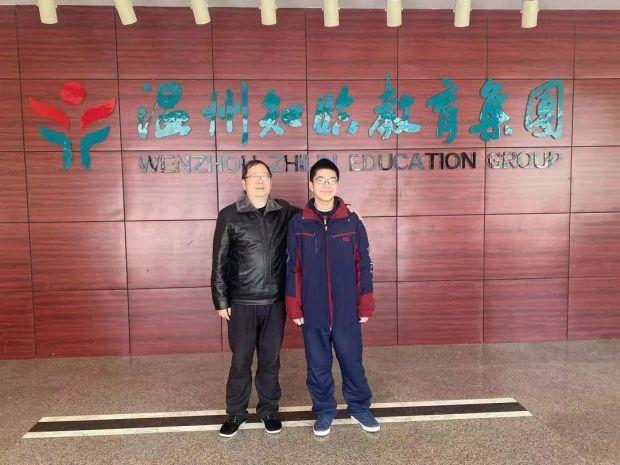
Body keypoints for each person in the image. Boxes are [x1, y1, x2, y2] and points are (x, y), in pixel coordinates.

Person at [285, 158, 379, 437]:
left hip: (346, 308)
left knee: (352, 361)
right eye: (320, 180)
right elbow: (292, 267)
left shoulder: (351, 221)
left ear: (337, 184)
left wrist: (366, 301)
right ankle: (324, 410)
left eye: (331, 180)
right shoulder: (298, 222)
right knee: (317, 365)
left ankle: (359, 407)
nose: (326, 185)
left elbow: (363, 264)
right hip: (312, 308)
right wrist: (293, 305)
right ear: (311, 184)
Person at [211, 159, 297, 438]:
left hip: (274, 303)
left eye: (264, 176)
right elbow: (219, 260)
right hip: (242, 303)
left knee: (270, 360)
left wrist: (345, 207)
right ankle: (235, 413)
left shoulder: (284, 211)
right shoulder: (229, 215)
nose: (260, 180)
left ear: (271, 181)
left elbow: (316, 211)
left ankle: (269, 410)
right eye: (254, 176)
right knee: (241, 360)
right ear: (244, 183)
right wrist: (221, 300)